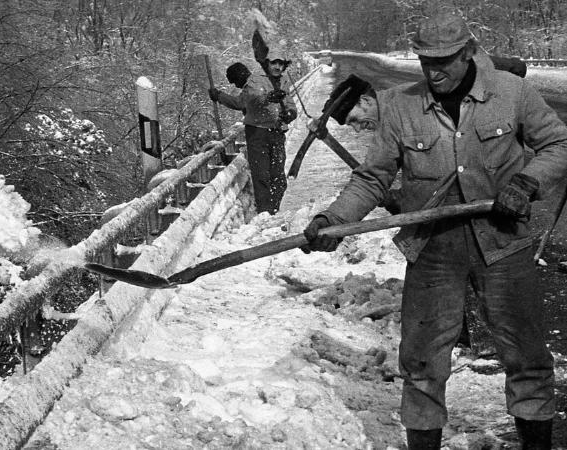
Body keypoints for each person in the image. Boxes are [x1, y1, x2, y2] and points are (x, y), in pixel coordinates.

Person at [302, 12, 567, 449]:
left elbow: (558, 144)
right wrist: (335, 220)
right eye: (427, 62)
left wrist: (525, 181)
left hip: (502, 244)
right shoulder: (402, 106)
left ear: (467, 53)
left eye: (444, 61)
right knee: (422, 364)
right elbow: (373, 177)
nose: (434, 71)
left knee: (528, 359)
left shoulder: (512, 92)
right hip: (434, 251)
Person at [209, 55, 297, 215]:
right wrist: (290, 113)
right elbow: (285, 104)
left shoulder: (253, 82)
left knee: (262, 175)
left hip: (259, 134)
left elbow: (242, 103)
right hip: (276, 133)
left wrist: (219, 96)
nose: (237, 85)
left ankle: (266, 212)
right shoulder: (274, 80)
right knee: (277, 173)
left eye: (235, 82)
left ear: (240, 77)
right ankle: (274, 208)